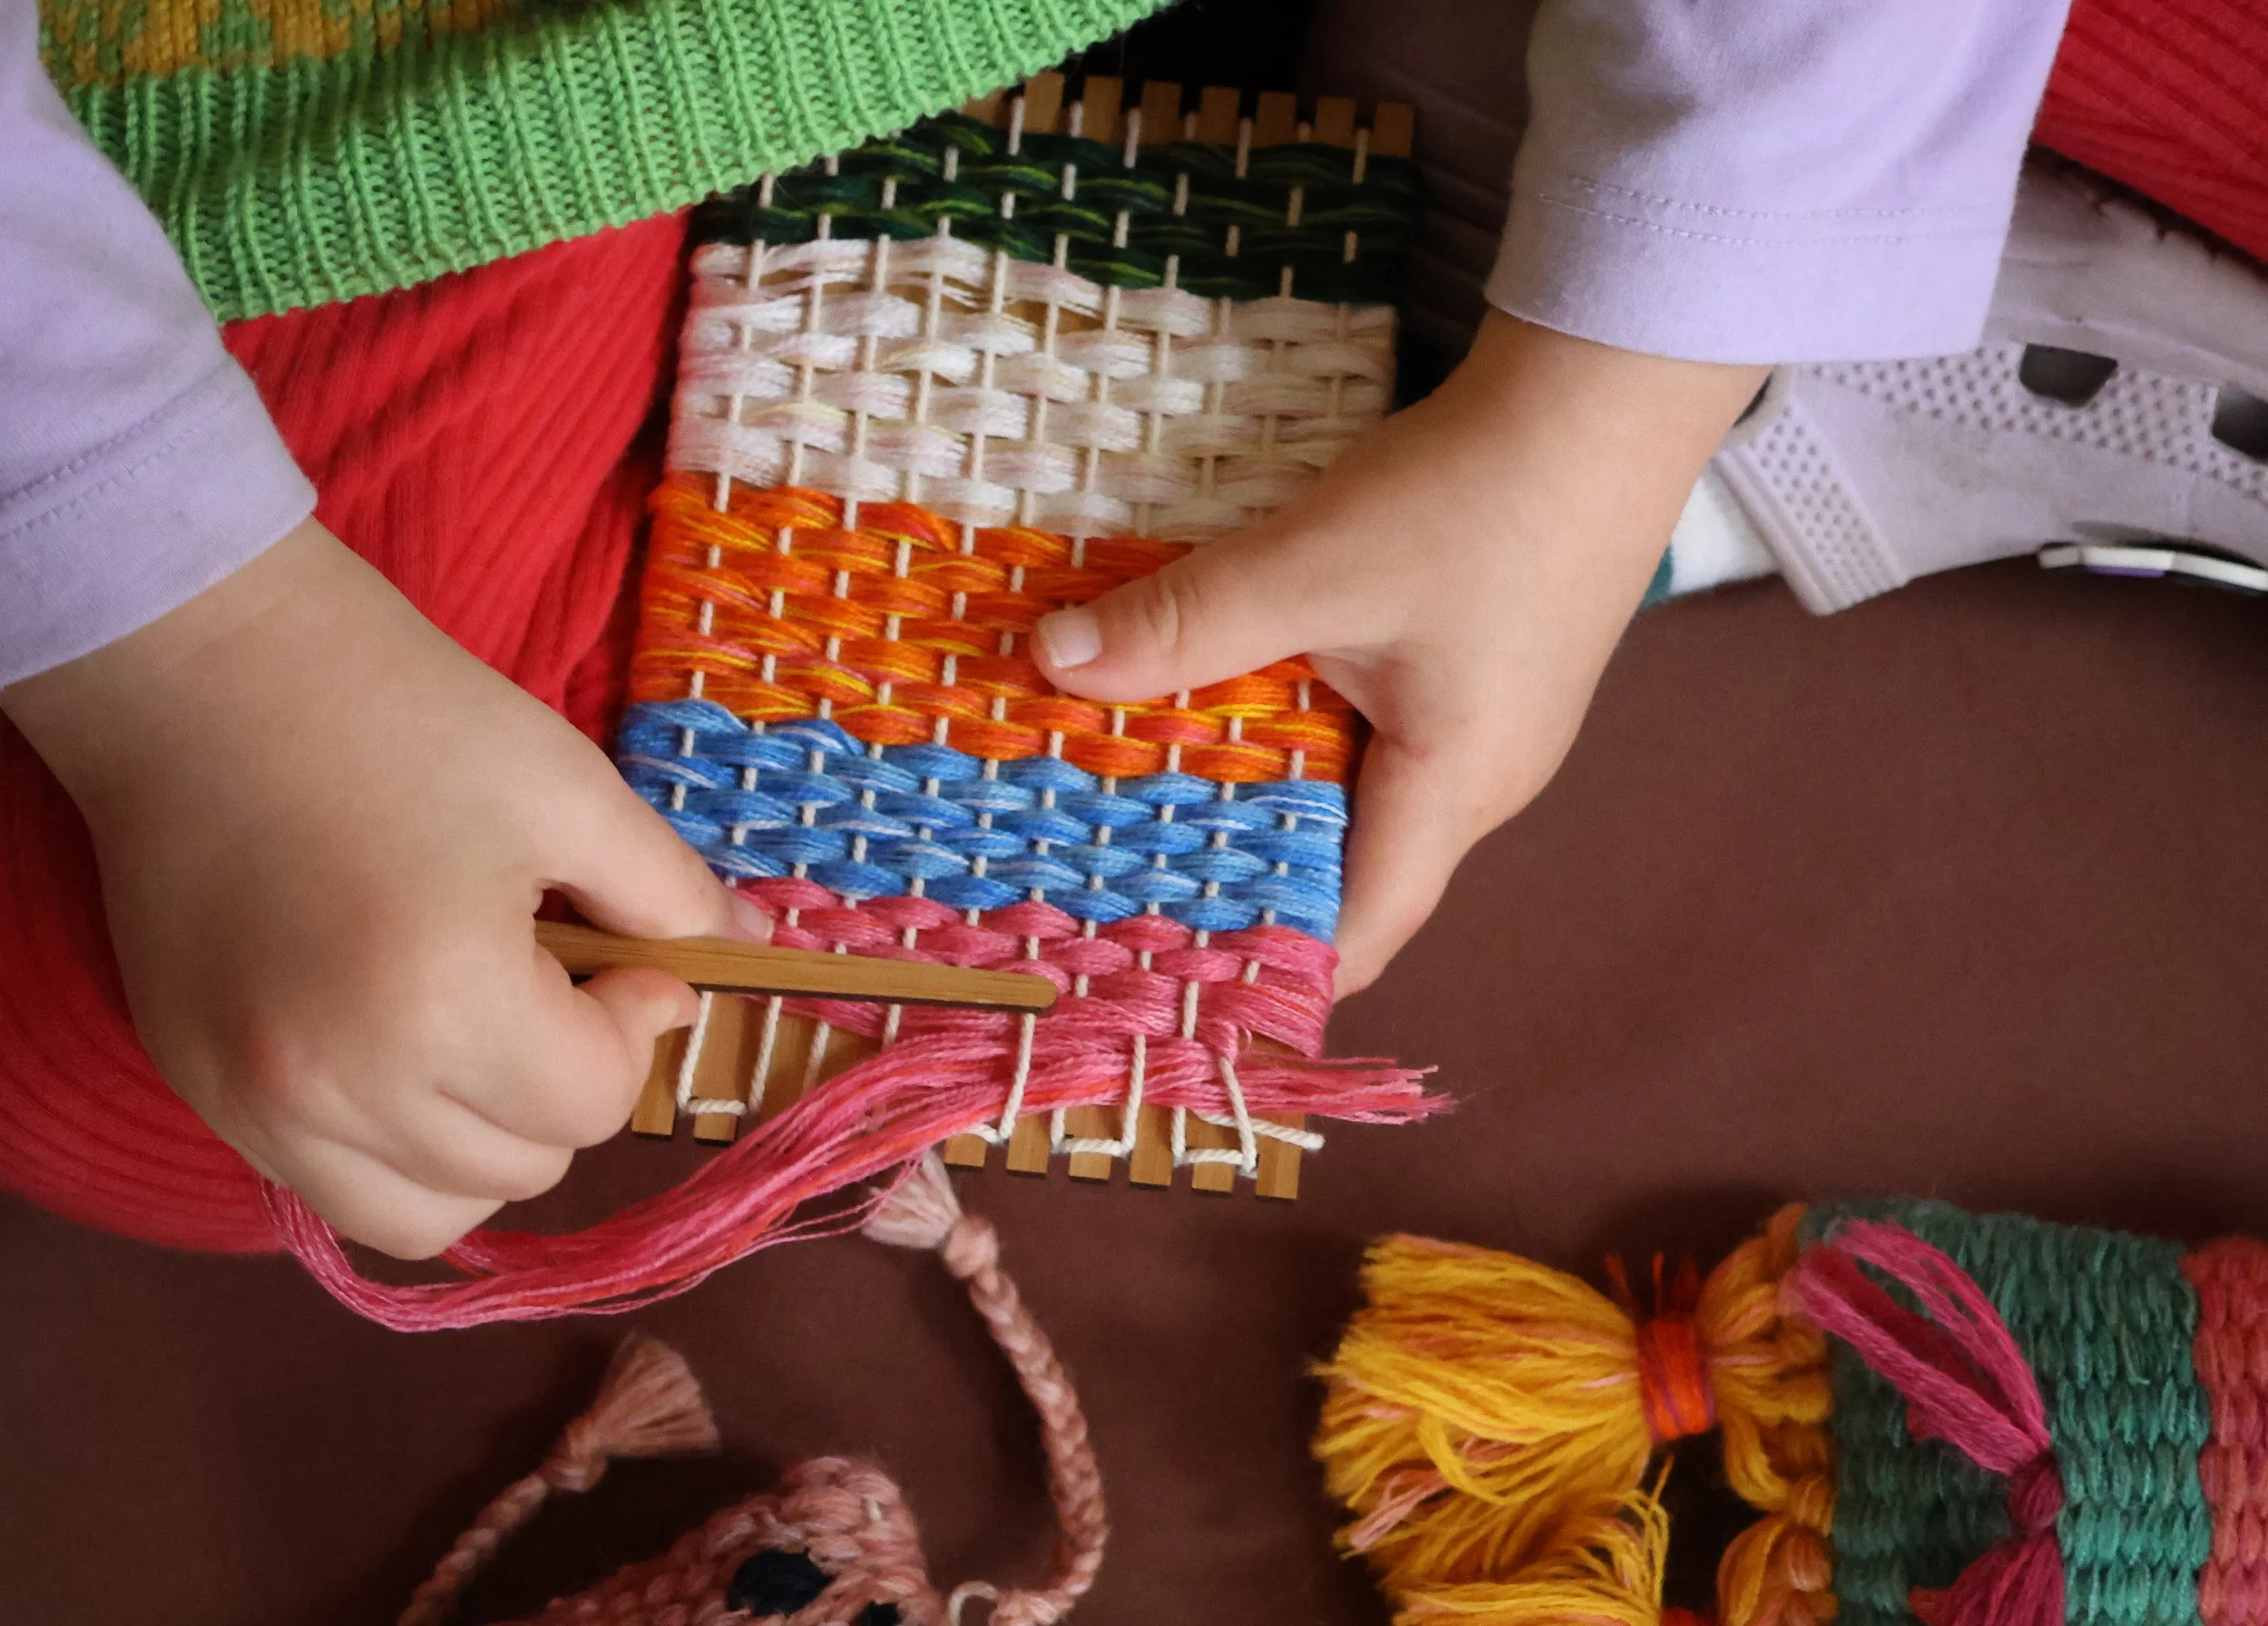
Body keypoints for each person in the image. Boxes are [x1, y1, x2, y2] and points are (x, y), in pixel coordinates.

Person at [0, 0, 2070, 1261]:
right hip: (308, 85)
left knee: (263, 1043)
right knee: (222, 1049)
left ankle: (1785, 241)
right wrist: (190, 641)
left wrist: (1610, 402)